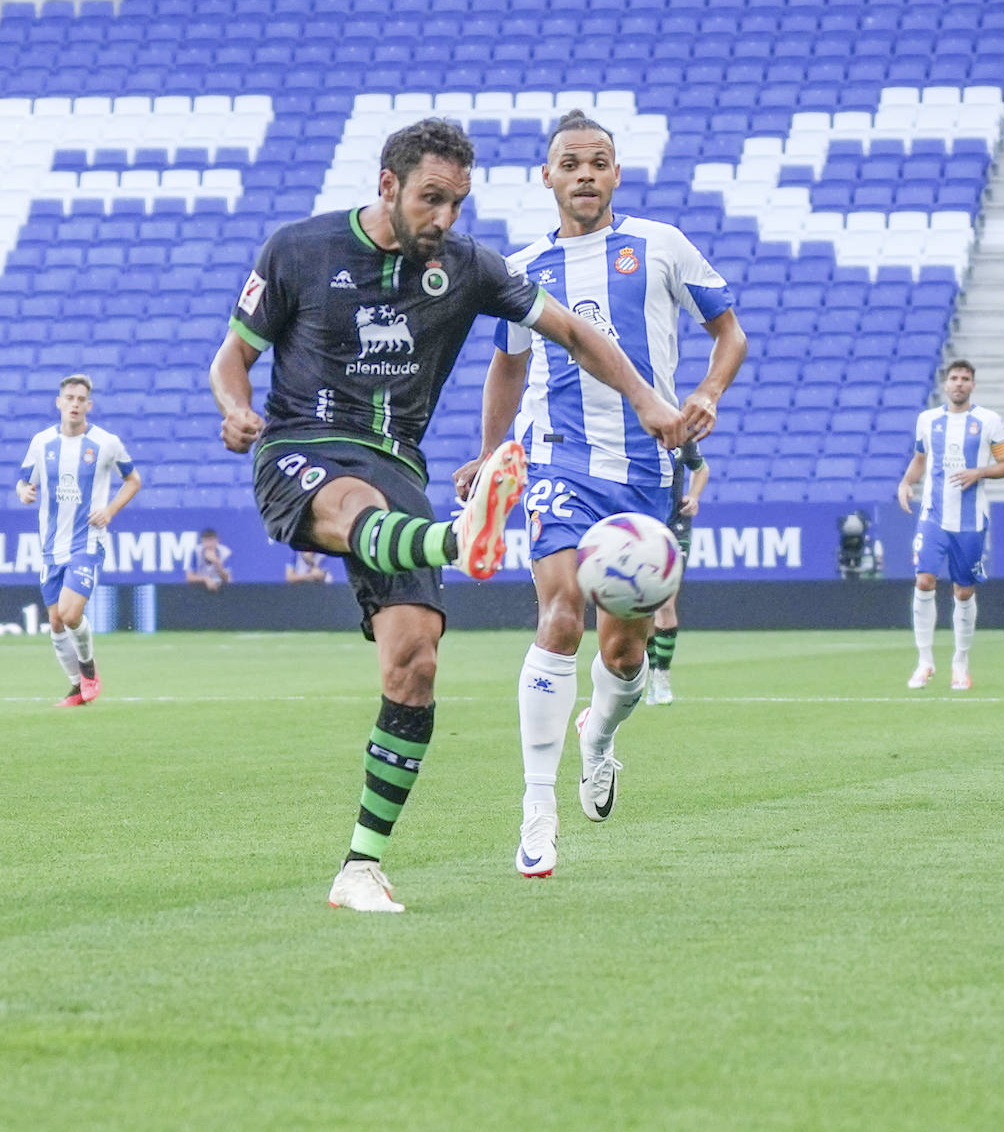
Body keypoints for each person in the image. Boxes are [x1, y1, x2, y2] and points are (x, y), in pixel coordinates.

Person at [209, 117, 691, 913]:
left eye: (457, 204)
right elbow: (234, 357)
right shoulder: (298, 248)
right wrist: (234, 409)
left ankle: (360, 868)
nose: (443, 220)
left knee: (415, 661)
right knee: (355, 506)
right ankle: (455, 536)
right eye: (431, 200)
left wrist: (646, 401)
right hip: (304, 445)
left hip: (398, 462)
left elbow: (570, 331)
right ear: (387, 186)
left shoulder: (464, 267)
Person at [455, 109, 746, 879]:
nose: (585, 174)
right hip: (558, 460)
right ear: (546, 176)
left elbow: (730, 333)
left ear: (616, 174)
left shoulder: (660, 245)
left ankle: (601, 739)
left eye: (599, 162)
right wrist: (489, 455)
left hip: (647, 468)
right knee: (559, 616)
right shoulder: (520, 270)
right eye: (571, 163)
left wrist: (708, 394)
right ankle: (535, 809)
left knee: (624, 649)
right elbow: (508, 369)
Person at [15, 372, 141, 707]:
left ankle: (88, 671)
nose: (74, 404)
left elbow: (133, 480)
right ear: (59, 403)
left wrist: (110, 510)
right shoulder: (42, 442)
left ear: (89, 404)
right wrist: (24, 491)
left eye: (80, 399)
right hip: (51, 546)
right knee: (55, 622)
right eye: (69, 398)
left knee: (71, 615)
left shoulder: (105, 443)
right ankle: (76, 686)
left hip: (87, 543)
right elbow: (22, 481)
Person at [897, 358, 1004, 691]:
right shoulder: (928, 420)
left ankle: (960, 663)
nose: (959, 383)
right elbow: (920, 459)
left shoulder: (988, 421)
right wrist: (906, 483)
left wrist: (979, 472)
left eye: (965, 378)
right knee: (924, 581)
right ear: (945, 384)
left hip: (970, 520)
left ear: (972, 385)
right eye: (954, 378)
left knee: (963, 591)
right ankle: (924, 661)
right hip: (933, 516)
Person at [644, 439, 710, 706]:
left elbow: (702, 469)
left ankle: (662, 676)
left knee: (666, 602)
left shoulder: (682, 436)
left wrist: (693, 496)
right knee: (644, 606)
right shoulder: (635, 437)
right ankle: (649, 673)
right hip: (645, 526)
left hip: (676, 528)